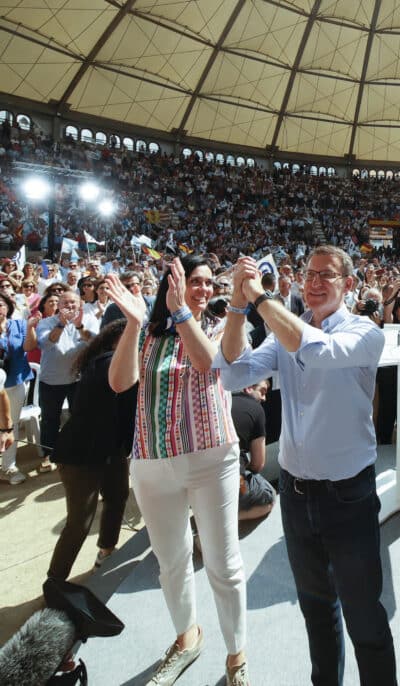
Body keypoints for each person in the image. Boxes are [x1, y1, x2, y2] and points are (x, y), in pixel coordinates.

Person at [216, 246, 397, 686]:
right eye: (309, 275)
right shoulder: (283, 335)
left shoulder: (365, 332)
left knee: (364, 615)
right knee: (316, 611)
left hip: (348, 496)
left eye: (327, 276)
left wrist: (260, 299)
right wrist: (239, 307)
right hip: (297, 496)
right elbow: (230, 374)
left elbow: (317, 352)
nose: (314, 283)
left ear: (349, 284)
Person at [106, 256, 249, 686]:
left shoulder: (221, 327)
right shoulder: (149, 335)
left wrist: (180, 311)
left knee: (223, 564)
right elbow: (118, 382)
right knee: (172, 561)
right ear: (174, 282)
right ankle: (187, 637)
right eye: (194, 281)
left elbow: (209, 364)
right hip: (152, 461)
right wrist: (134, 324)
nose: (203, 289)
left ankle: (236, 654)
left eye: (208, 282)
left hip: (211, 460)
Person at [46, 320, 136, 580]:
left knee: (117, 498)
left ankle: (106, 552)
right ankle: (55, 581)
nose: (138, 344)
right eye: (131, 337)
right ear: (114, 343)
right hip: (81, 456)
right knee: (79, 523)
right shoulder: (106, 363)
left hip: (112, 451)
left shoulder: (120, 364)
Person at [35, 287, 93, 473]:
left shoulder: (88, 320)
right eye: (65, 303)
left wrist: (78, 326)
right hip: (51, 380)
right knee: (50, 419)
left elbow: (95, 342)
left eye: (73, 303)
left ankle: (78, 449)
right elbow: (46, 343)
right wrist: (60, 324)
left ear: (80, 304)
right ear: (58, 306)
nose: (69, 306)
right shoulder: (46, 323)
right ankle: (48, 454)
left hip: (78, 379)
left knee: (80, 416)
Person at [0, 291, 33, 485]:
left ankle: (8, 466)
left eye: (1, 304)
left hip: (16, 381)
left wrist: (31, 328)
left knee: (10, 424)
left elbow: (28, 347)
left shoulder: (18, 325)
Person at [231, 379, 275, 520]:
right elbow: (258, 464)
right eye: (262, 391)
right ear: (249, 388)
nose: (264, 398)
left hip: (198, 476)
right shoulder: (257, 410)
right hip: (233, 479)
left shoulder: (225, 401)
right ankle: (224, 518)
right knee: (268, 496)